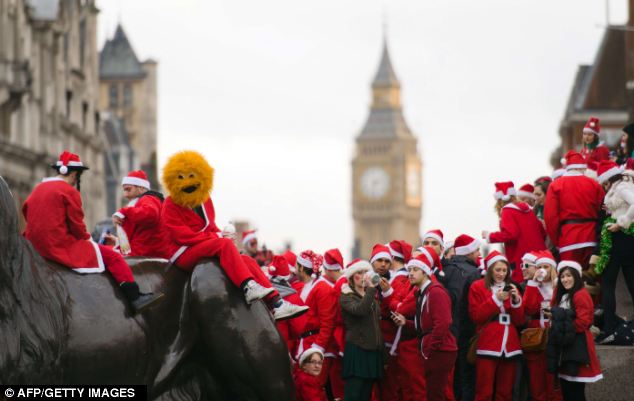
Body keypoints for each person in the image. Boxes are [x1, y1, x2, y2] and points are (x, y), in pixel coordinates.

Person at [161, 151, 304, 320]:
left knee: (247, 260)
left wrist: (221, 234)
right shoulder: (170, 204)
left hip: (201, 245)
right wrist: (218, 239)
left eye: (191, 175)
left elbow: (211, 226)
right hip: (182, 252)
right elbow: (182, 236)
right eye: (181, 177)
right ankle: (247, 287)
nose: (188, 182)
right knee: (225, 245)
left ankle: (276, 303)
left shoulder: (205, 200)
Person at [22, 151, 164, 313]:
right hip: (57, 244)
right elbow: (77, 226)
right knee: (114, 257)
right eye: (78, 175)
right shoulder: (69, 191)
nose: (77, 180)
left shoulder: (38, 188)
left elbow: (25, 212)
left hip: (33, 245)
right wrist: (87, 240)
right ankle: (135, 298)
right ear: (74, 173)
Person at [392, 254, 457, 401]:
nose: (411, 273)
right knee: (431, 393)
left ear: (425, 272)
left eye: (415, 269)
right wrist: (406, 323)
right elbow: (425, 325)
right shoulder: (422, 293)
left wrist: (430, 350)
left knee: (437, 394)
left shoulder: (435, 291)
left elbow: (443, 323)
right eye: (410, 269)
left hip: (440, 351)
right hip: (434, 350)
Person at [468, 251, 524, 401]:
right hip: (488, 343)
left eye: (504, 270)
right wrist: (496, 299)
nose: (501, 274)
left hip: (510, 345)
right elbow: (477, 317)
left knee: (505, 392)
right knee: (483, 391)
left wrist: (517, 301)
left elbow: (519, 321)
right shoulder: (477, 286)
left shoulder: (512, 287)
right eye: (498, 270)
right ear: (490, 269)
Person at [546, 261, 603, 401]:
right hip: (566, 347)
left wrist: (561, 324)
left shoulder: (580, 294)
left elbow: (583, 322)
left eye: (569, 275)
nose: (565, 279)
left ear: (576, 277)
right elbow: (556, 310)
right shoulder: (564, 295)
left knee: (575, 391)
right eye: (562, 276)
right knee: (567, 389)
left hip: (578, 345)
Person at [593, 160, 634, 343]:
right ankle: (609, 327)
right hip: (624, 240)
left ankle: (609, 328)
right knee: (624, 282)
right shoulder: (618, 187)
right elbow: (622, 207)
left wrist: (620, 222)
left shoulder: (621, 187)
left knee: (608, 283)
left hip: (621, 238)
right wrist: (610, 210)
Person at [544, 150, 604, 268]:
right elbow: (603, 210)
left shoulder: (556, 185)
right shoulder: (594, 184)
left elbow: (550, 218)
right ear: (582, 167)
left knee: (570, 279)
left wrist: (557, 241)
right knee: (593, 281)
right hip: (591, 237)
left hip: (568, 239)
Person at [483, 181, 546, 283]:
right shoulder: (529, 211)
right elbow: (542, 232)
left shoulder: (507, 211)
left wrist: (489, 236)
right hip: (541, 256)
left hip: (521, 259)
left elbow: (511, 234)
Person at [340, 259, 384, 401]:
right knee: (353, 395)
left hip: (373, 350)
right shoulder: (347, 297)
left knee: (366, 395)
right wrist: (371, 289)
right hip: (357, 349)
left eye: (366, 272)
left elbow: (376, 326)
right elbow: (360, 310)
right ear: (352, 277)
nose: (364, 276)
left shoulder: (371, 296)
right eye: (359, 273)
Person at [445, 234, 482, 401]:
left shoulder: (446, 270)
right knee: (467, 379)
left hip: (448, 333)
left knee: (452, 380)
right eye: (476, 251)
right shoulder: (474, 273)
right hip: (466, 334)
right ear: (468, 252)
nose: (479, 254)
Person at [295, 250, 337, 389]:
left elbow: (328, 322)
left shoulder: (322, 288)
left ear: (301, 267)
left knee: (314, 388)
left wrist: (317, 349)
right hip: (306, 342)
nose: (295, 269)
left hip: (315, 345)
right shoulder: (306, 286)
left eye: (297, 266)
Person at [523, 251, 561, 401]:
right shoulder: (533, 286)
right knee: (536, 379)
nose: (542, 269)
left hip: (555, 334)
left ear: (552, 268)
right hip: (537, 335)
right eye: (539, 266)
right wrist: (533, 283)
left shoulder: (559, 285)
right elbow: (529, 309)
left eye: (546, 266)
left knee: (554, 379)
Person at [107, 170, 169, 258]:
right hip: (139, 252)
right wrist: (117, 241)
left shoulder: (148, 198)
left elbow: (150, 214)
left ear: (141, 188)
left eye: (128, 189)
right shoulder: (141, 201)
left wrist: (124, 211)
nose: (125, 194)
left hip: (142, 254)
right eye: (124, 190)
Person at [267, 255, 309, 355]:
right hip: (285, 349)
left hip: (264, 346)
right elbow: (300, 328)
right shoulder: (292, 297)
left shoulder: (261, 293)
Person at [322, 248, 347, 400]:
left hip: (339, 339)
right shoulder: (344, 281)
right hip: (344, 338)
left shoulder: (338, 286)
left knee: (338, 384)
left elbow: (334, 316)